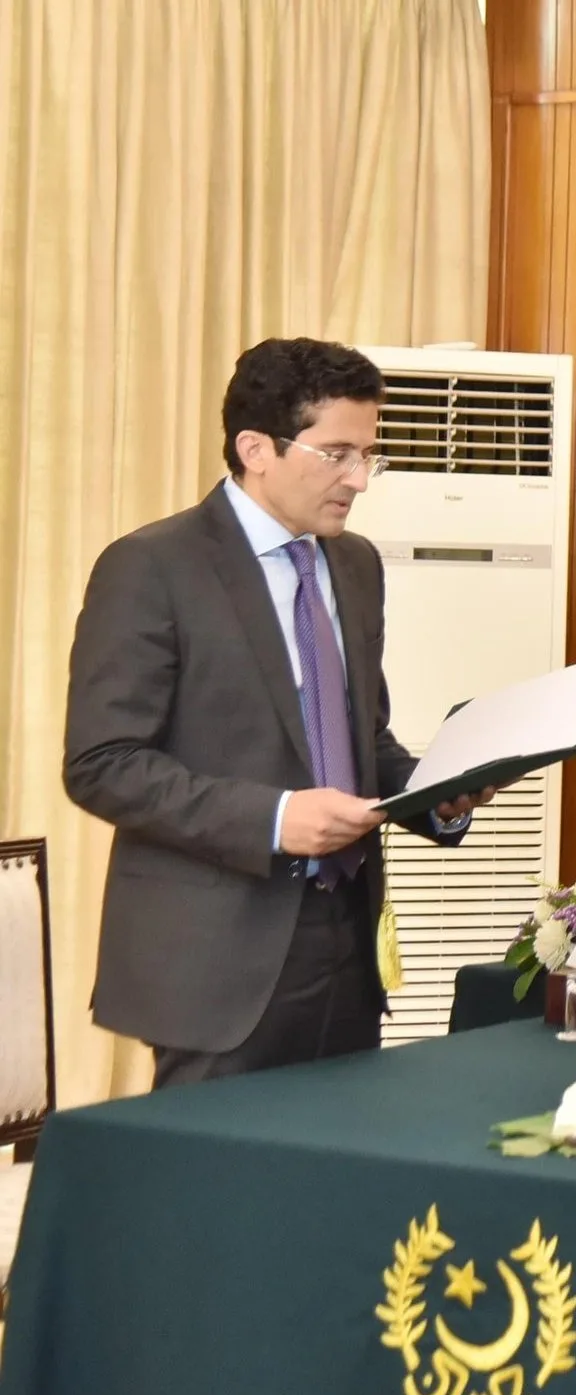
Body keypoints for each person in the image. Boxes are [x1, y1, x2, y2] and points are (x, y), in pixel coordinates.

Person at [64, 337, 493, 1088]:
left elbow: (364, 740)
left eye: (369, 454)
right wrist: (275, 818)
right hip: (216, 960)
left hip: (349, 945)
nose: (359, 479)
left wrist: (440, 791)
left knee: (330, 1189)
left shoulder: (354, 564)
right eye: (337, 454)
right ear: (255, 448)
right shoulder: (152, 567)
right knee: (214, 1198)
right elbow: (102, 765)